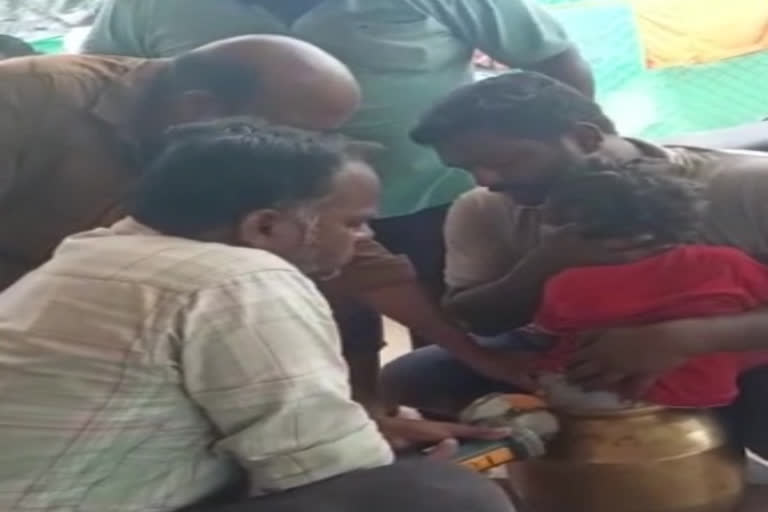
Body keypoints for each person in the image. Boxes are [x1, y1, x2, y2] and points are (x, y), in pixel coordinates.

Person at [0, 120, 513, 512]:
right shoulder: (240, 280)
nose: (365, 240)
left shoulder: (97, 250)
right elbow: (326, 468)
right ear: (266, 227)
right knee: (441, 496)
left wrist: (365, 427)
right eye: (354, 224)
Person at [0, 33, 522, 413]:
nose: (303, 153)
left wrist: (476, 356)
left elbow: (355, 257)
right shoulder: (26, 102)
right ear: (201, 109)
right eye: (294, 133)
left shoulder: (236, 153)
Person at [82, 0, 594, 349]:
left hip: (435, 199)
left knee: (469, 325)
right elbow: (115, 84)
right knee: (321, 338)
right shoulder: (140, 9)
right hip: (262, 222)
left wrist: (574, 165)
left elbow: (552, 60)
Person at [380, 71, 768, 457]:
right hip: (577, 348)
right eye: (468, 169)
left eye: (505, 160)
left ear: (585, 138)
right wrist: (543, 264)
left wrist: (682, 339)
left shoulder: (748, 187)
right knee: (417, 376)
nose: (487, 180)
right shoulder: (483, 208)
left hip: (735, 342)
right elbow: (470, 316)